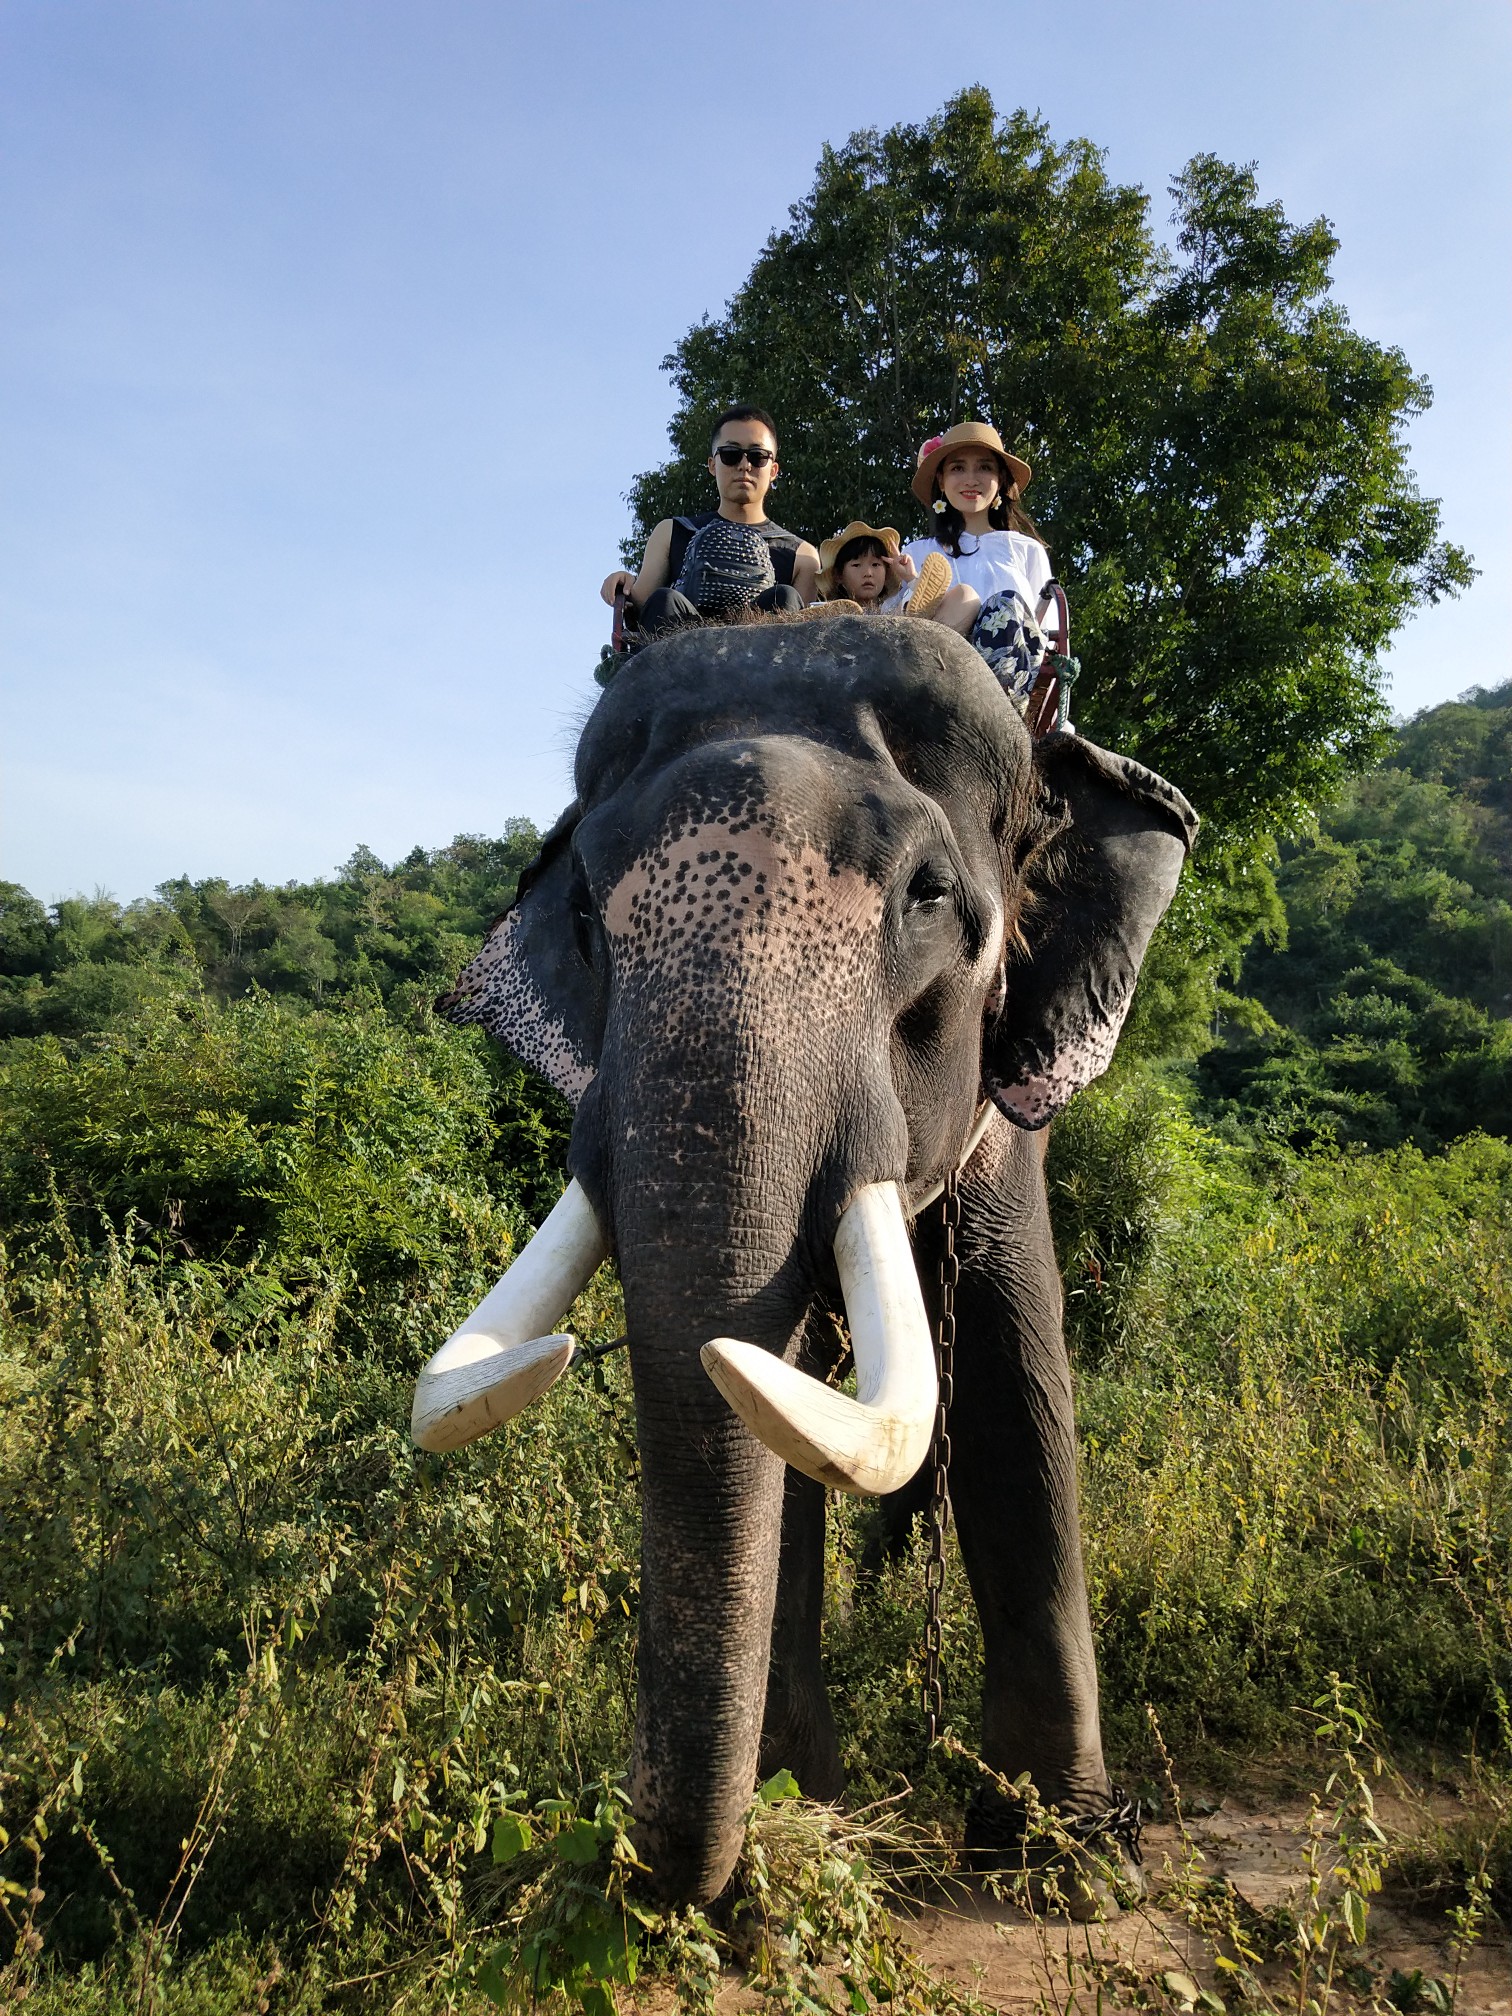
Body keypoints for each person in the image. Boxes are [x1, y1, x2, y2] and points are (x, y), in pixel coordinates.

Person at [600, 406, 820, 638]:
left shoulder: (801, 556)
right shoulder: (673, 532)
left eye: (758, 457)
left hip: (761, 664)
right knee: (664, 600)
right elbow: (643, 605)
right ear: (713, 465)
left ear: (773, 470)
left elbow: (803, 640)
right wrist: (625, 583)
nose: (745, 465)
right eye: (730, 454)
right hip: (678, 662)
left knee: (784, 598)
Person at [887, 421, 1059, 698]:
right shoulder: (917, 553)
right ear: (941, 480)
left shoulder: (1027, 550)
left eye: (984, 467)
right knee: (956, 600)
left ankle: (996, 713)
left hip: (1008, 689)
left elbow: (1050, 639)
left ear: (1001, 479)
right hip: (937, 679)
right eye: (957, 468)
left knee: (1005, 606)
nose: (971, 479)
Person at [815, 521, 974, 629]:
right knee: (894, 616)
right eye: (856, 565)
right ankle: (906, 617)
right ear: (839, 576)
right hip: (870, 654)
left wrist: (910, 577)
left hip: (910, 649)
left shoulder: (889, 605)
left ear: (887, 573)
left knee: (965, 594)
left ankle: (914, 607)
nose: (868, 573)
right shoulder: (830, 610)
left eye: (876, 565)